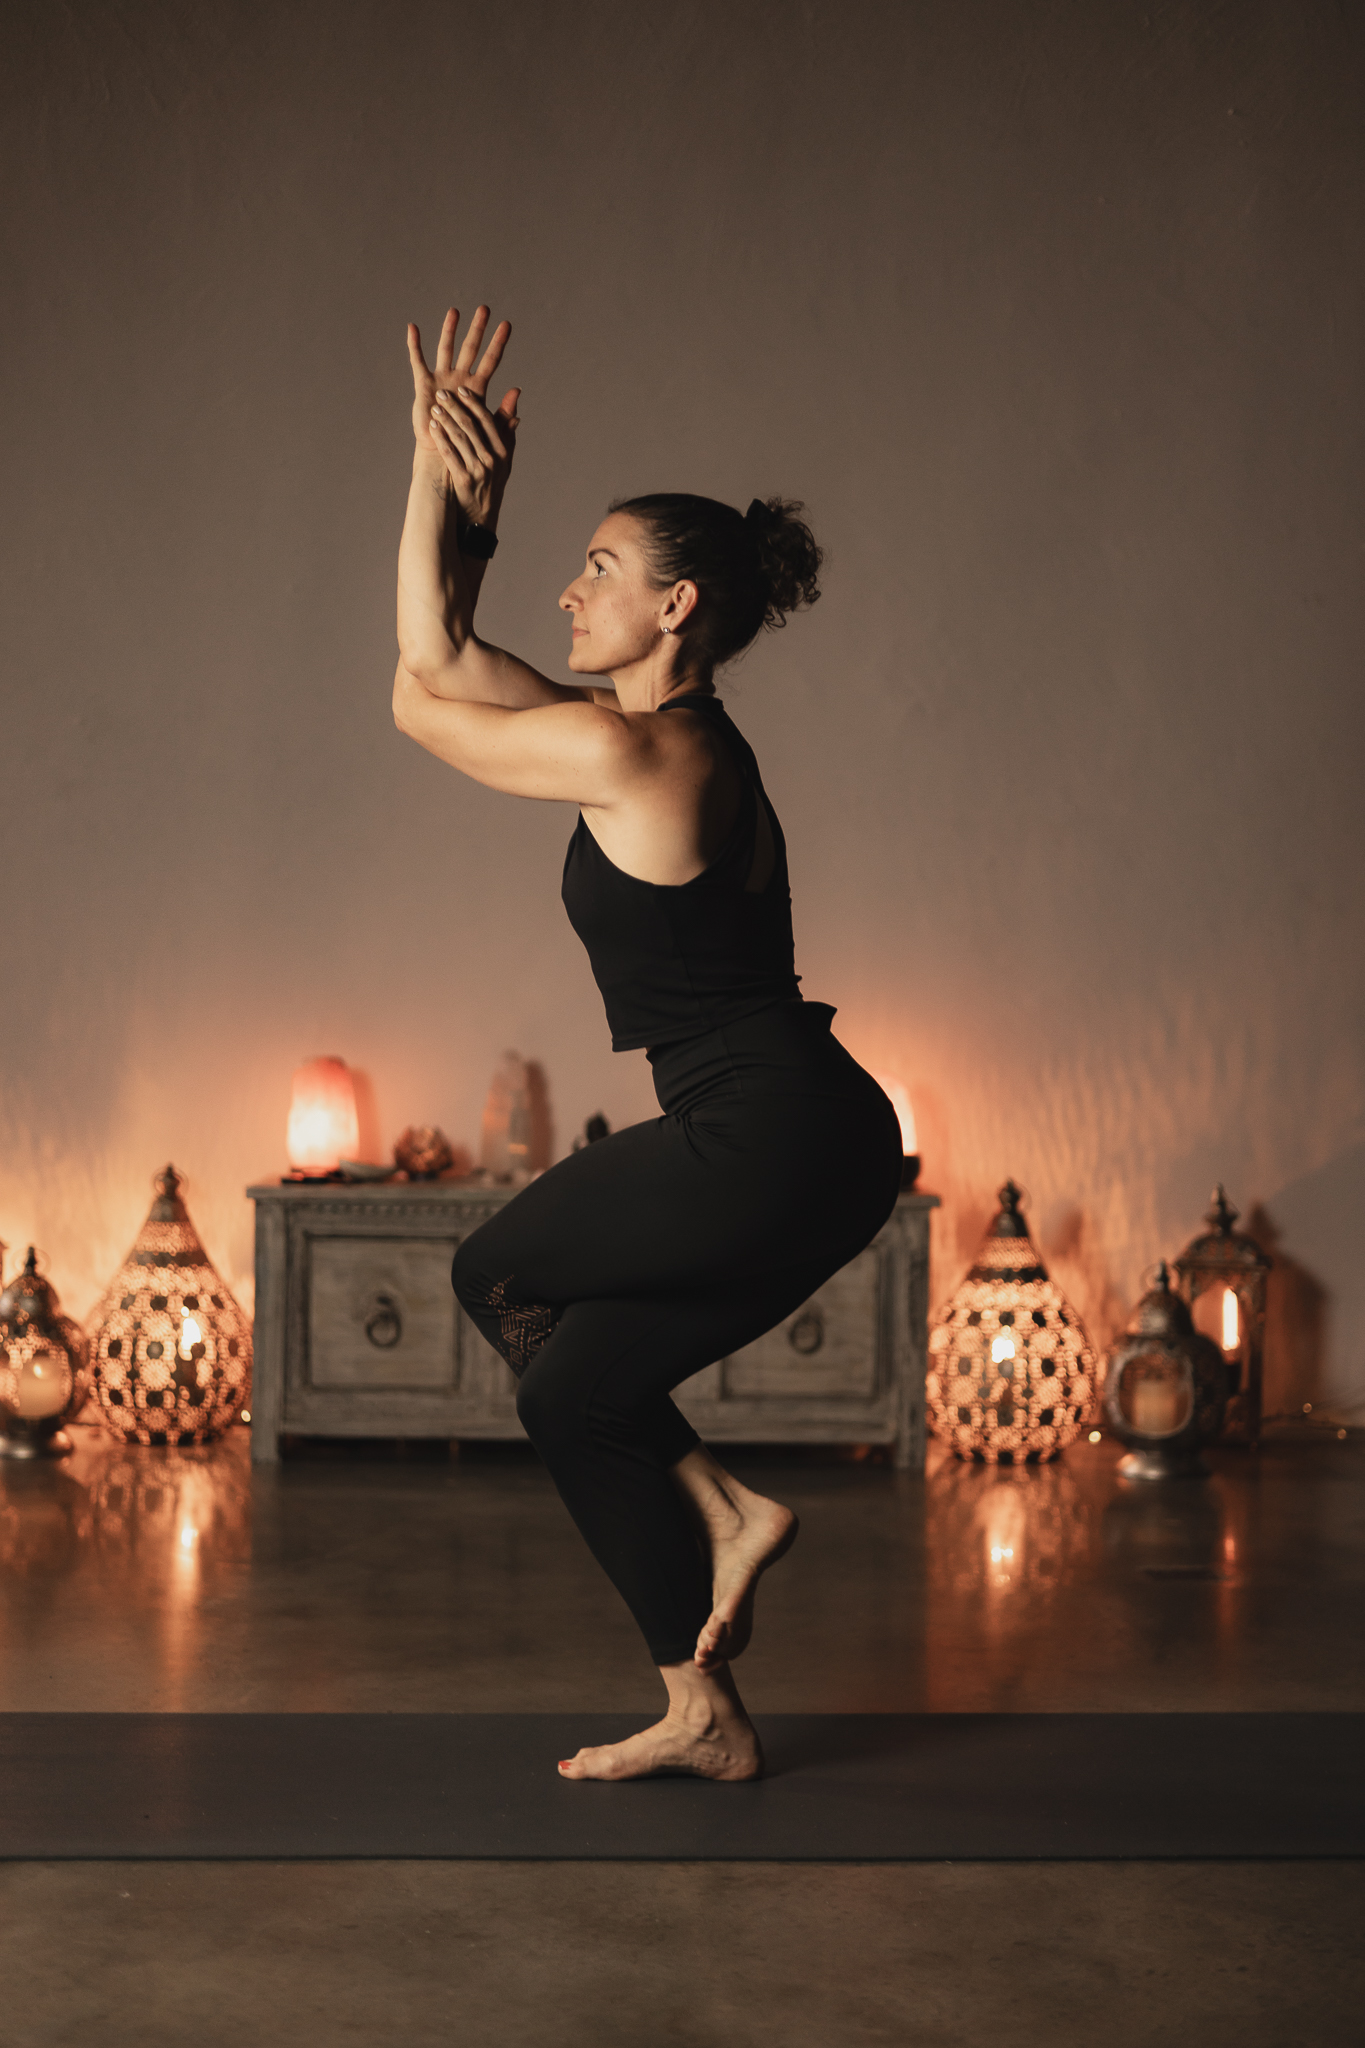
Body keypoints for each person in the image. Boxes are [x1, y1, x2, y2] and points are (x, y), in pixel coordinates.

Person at [394, 302, 902, 1782]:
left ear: (675, 606)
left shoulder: (629, 755)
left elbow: (412, 698)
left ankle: (730, 1517)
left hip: (768, 1130)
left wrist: (434, 481)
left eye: (601, 569)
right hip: (816, 1138)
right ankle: (704, 1705)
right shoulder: (654, 737)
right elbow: (446, 648)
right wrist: (456, 508)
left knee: (491, 1270)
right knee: (573, 1390)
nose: (571, 589)